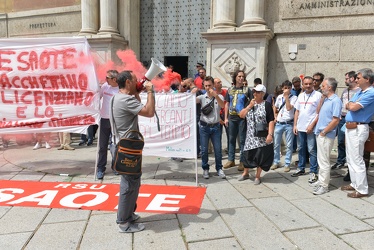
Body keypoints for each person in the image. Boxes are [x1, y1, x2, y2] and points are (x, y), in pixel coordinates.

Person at [111, 70, 155, 233]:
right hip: (127, 148)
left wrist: (138, 92)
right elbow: (149, 112)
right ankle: (123, 222)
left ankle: (129, 214)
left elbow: (138, 106)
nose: (138, 82)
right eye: (135, 80)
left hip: (125, 146)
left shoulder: (120, 97)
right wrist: (150, 91)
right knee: (129, 185)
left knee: (133, 181)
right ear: (128, 82)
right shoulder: (125, 100)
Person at [341, 68, 374, 198]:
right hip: (351, 127)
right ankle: (355, 184)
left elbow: (353, 106)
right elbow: (347, 104)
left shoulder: (371, 93)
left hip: (359, 128)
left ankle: (362, 189)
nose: (356, 80)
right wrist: (351, 105)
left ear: (367, 79)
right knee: (350, 157)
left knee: (357, 158)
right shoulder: (360, 91)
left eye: (359, 78)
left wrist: (351, 105)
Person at [238, 84, 275, 184]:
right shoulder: (249, 103)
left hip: (261, 136)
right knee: (247, 156)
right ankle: (245, 173)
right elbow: (241, 115)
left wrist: (270, 134)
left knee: (261, 156)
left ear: (262, 94)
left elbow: (271, 120)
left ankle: (257, 176)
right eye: (254, 91)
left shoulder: (266, 105)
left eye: (257, 92)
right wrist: (249, 106)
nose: (255, 93)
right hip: (250, 136)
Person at [311, 77, 342, 195]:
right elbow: (318, 112)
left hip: (326, 134)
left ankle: (324, 185)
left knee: (324, 161)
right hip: (320, 133)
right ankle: (321, 180)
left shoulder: (336, 101)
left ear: (329, 87)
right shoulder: (327, 99)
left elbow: (335, 120)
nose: (321, 88)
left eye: (323, 86)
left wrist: (324, 132)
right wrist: (322, 99)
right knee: (321, 159)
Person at [291, 76, 322, 183]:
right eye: (306, 84)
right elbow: (297, 111)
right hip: (300, 127)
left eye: (310, 84)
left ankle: (313, 171)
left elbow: (319, 113)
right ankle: (301, 168)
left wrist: (312, 125)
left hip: (311, 128)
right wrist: (295, 125)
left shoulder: (318, 96)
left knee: (312, 149)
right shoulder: (300, 96)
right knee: (300, 148)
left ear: (313, 84)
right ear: (302, 85)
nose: (308, 86)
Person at [223, 70, 253, 171]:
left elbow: (252, 101)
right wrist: (225, 118)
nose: (241, 78)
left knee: (242, 140)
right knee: (231, 139)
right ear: (235, 77)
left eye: (242, 77)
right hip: (231, 118)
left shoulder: (247, 90)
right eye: (239, 76)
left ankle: (242, 161)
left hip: (242, 118)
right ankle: (231, 160)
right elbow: (227, 103)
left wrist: (246, 110)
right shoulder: (230, 89)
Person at [197, 76, 226, 179]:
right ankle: (205, 168)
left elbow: (222, 105)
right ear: (203, 86)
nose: (208, 87)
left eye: (210, 85)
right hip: (204, 126)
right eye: (206, 86)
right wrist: (193, 91)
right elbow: (190, 101)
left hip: (216, 127)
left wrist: (215, 96)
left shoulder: (220, 97)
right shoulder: (201, 97)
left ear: (213, 85)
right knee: (204, 150)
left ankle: (219, 168)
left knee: (217, 149)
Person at [332, 71, 359, 171]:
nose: (345, 81)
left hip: (353, 119)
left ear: (352, 79)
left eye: (346, 79)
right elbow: (340, 103)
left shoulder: (359, 91)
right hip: (342, 118)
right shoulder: (345, 91)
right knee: (340, 141)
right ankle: (340, 161)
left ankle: (350, 162)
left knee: (351, 143)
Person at [96, 70, 119, 179]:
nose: (105, 80)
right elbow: (98, 97)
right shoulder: (105, 86)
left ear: (114, 79)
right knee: (102, 146)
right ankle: (100, 168)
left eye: (108, 78)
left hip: (115, 121)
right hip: (104, 120)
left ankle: (115, 167)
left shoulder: (121, 89)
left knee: (115, 146)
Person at [271, 80, 297, 172]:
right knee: (276, 144)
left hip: (289, 123)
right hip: (279, 122)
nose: (286, 90)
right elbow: (275, 106)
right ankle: (276, 161)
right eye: (285, 88)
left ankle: (287, 163)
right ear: (282, 88)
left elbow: (289, 108)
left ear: (291, 89)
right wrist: (274, 115)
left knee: (289, 145)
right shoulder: (279, 97)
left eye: (288, 88)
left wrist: (286, 98)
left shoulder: (294, 97)